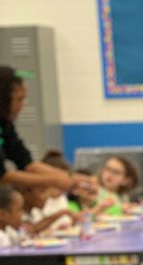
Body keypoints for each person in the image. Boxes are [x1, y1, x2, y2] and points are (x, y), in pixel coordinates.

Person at [0, 66, 95, 197]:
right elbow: (3, 177)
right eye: (19, 99)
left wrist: (76, 178)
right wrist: (55, 181)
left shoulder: (5, 124)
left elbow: (27, 164)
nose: (23, 105)